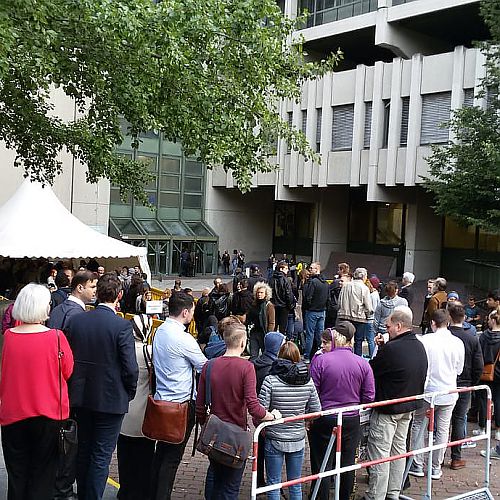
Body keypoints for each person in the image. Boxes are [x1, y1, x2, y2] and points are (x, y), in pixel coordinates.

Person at [65, 273, 139, 500]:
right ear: (118, 296)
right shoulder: (121, 326)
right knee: (101, 455)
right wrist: (129, 392)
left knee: (84, 450)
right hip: (110, 399)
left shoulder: (76, 321)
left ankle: (84, 493)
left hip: (80, 396)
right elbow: (130, 368)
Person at [0, 283, 74, 499]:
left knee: (17, 474)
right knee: (43, 475)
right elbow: (68, 371)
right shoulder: (56, 337)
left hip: (13, 414)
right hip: (48, 414)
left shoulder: (9, 337)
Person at [195, 323, 279, 499]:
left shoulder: (209, 366)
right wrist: (270, 416)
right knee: (231, 485)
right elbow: (253, 405)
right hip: (236, 434)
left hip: (214, 431)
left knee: (214, 475)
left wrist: (205, 423)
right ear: (242, 343)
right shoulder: (246, 367)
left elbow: (200, 404)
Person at [365, 309, 428, 500]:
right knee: (398, 450)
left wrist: (384, 348)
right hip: (408, 406)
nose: (387, 329)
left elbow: (371, 370)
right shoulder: (419, 346)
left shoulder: (391, 350)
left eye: (389, 326)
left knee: (381, 452)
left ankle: (376, 495)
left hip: (388, 409)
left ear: (399, 326)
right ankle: (393, 492)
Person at [309, 320, 375, 500]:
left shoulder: (321, 361)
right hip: (351, 418)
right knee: (347, 464)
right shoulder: (362, 363)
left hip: (325, 417)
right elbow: (369, 396)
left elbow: (312, 392)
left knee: (322, 462)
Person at [150, 292, 207, 500]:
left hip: (161, 400)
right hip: (180, 405)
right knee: (172, 458)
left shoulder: (160, 330)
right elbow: (204, 366)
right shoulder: (184, 338)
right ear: (185, 312)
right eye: (192, 311)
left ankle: (153, 493)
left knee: (161, 453)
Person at [259, 342, 321, 500]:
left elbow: (261, 411)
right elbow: (317, 410)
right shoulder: (308, 381)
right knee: (295, 483)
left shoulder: (270, 380)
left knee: (274, 483)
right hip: (297, 438)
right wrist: (307, 421)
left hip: (274, 437)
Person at [409, 309, 464, 480]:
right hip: (448, 391)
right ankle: (435, 467)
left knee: (419, 426)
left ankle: (417, 464)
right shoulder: (457, 343)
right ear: (447, 322)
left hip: (427, 391)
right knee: (442, 429)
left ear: (433, 323)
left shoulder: (424, 340)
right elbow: (459, 370)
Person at [117, 313, 154, 500]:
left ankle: (125, 490)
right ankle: (142, 491)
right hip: (144, 411)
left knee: (125, 456)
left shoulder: (122, 348)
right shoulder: (150, 351)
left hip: (124, 409)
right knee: (145, 456)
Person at [447, 302, 484, 470]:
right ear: (464, 318)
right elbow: (479, 365)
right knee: (459, 419)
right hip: (464, 384)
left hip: (445, 383)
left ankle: (436, 458)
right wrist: (472, 382)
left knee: (441, 420)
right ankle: (456, 457)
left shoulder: (444, 336)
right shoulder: (472, 339)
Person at [251, 331, 286, 488]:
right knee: (271, 448)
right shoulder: (273, 368)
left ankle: (258, 479)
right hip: (271, 412)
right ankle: (269, 482)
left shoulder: (257, 363)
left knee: (260, 447)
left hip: (258, 411)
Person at [475, 307, 500, 440]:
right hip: (499, 374)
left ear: (493, 320)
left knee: (483, 401)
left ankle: (482, 428)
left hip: (484, 372)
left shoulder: (484, 336)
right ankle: (498, 430)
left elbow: (479, 354)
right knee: (498, 400)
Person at [337, 267, 374, 357]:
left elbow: (339, 302)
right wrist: (369, 314)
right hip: (359, 318)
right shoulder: (364, 288)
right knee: (358, 341)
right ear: (364, 277)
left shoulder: (346, 286)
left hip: (344, 316)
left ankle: (342, 357)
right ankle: (356, 360)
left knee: (343, 339)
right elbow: (369, 307)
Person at [302, 262, 329, 360]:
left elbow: (308, 297)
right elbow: (328, 298)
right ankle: (321, 353)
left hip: (312, 311)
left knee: (310, 335)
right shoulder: (325, 283)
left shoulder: (313, 282)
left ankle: (307, 356)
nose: (310, 270)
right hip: (322, 311)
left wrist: (309, 305)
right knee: (320, 334)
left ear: (316, 269)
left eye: (311, 268)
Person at [246, 282, 276, 359]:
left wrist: (269, 334)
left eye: (261, 293)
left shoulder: (269, 305)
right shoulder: (254, 305)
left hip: (264, 333)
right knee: (253, 355)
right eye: (258, 293)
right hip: (254, 332)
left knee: (265, 355)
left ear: (266, 294)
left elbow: (271, 322)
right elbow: (249, 318)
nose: (259, 294)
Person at [269, 261, 295, 336]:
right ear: (281, 269)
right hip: (284, 307)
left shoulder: (271, 279)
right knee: (282, 329)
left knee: (273, 325)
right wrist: (290, 306)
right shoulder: (286, 280)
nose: (288, 270)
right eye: (286, 268)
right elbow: (288, 294)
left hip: (273, 306)